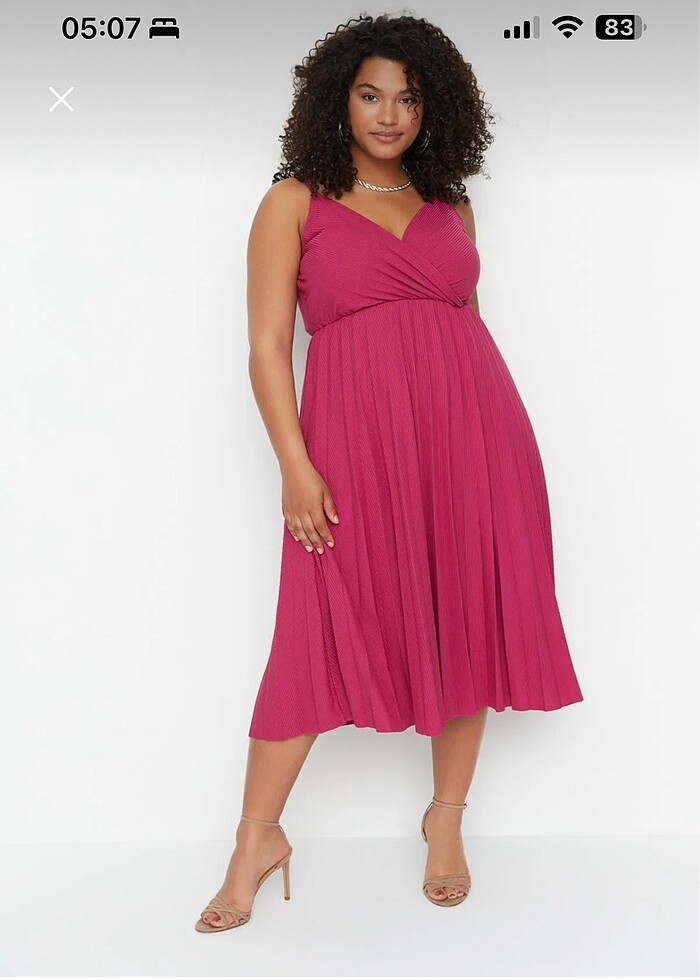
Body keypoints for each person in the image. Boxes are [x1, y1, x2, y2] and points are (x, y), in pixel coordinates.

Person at [195, 12, 584, 933]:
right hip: (354, 449)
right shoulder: (295, 201)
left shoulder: (451, 207)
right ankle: (257, 838)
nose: (388, 114)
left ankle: (445, 819)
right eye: (370, 94)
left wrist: (489, 453)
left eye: (409, 99)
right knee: (316, 630)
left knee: (468, 616)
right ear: (338, 99)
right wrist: (295, 465)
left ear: (432, 108)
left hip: (476, 440)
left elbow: (465, 324)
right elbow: (266, 346)